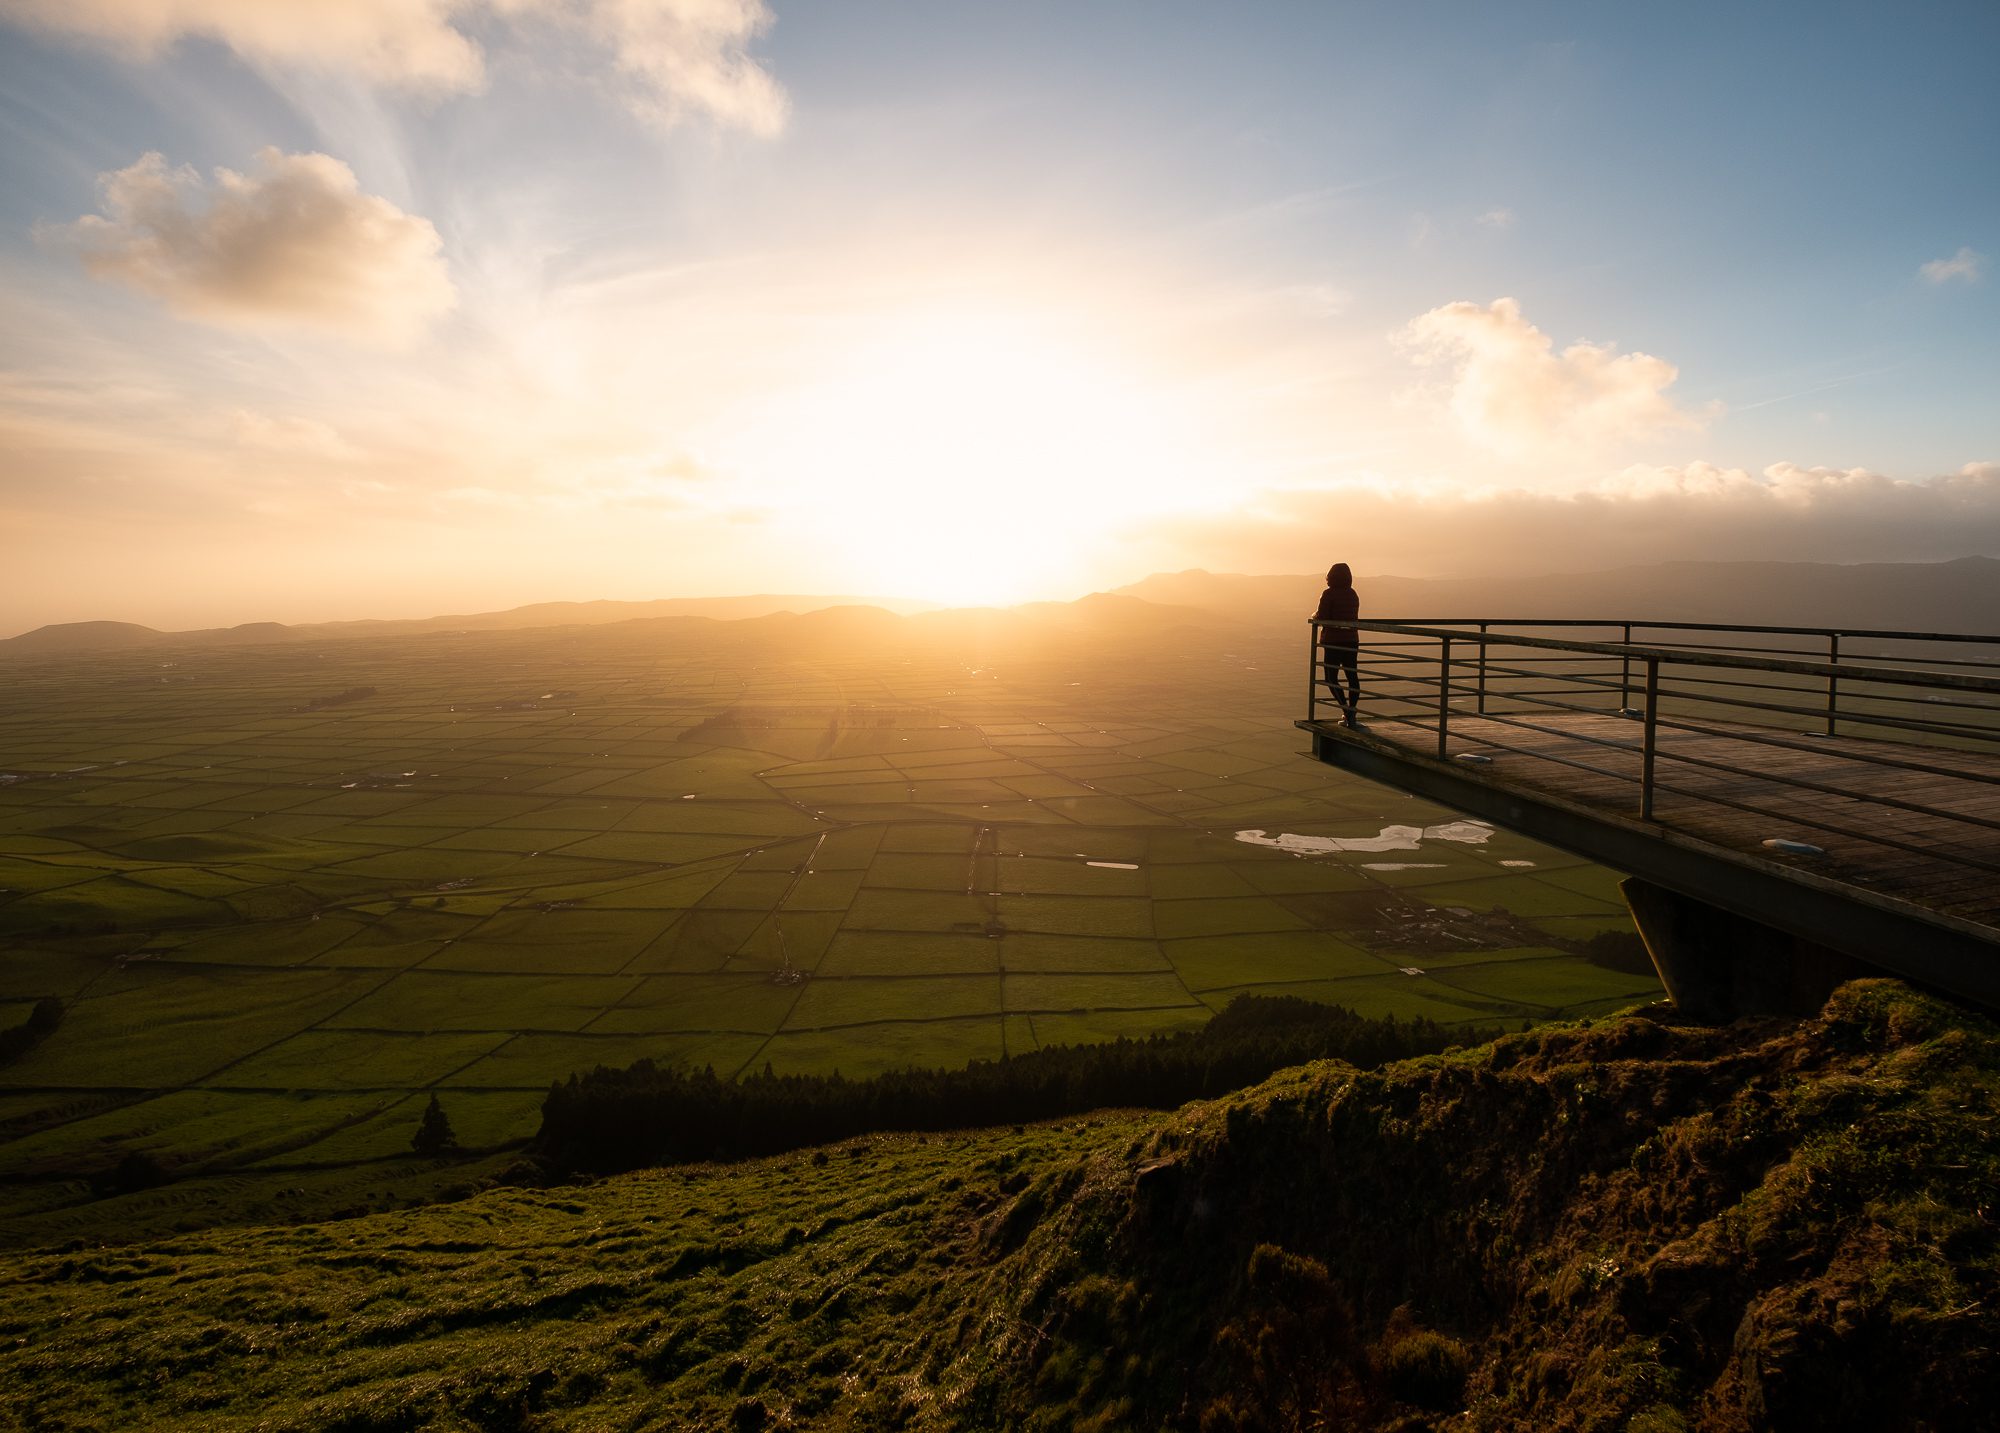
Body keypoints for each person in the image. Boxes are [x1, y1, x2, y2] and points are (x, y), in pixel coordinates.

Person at [1314, 562, 1361, 727]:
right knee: (1352, 676)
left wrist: (1314, 616)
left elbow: (1322, 616)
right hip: (1351, 640)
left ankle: (1346, 711)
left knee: (1331, 677)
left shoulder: (1328, 594)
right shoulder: (1353, 594)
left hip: (1333, 640)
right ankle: (1352, 711)